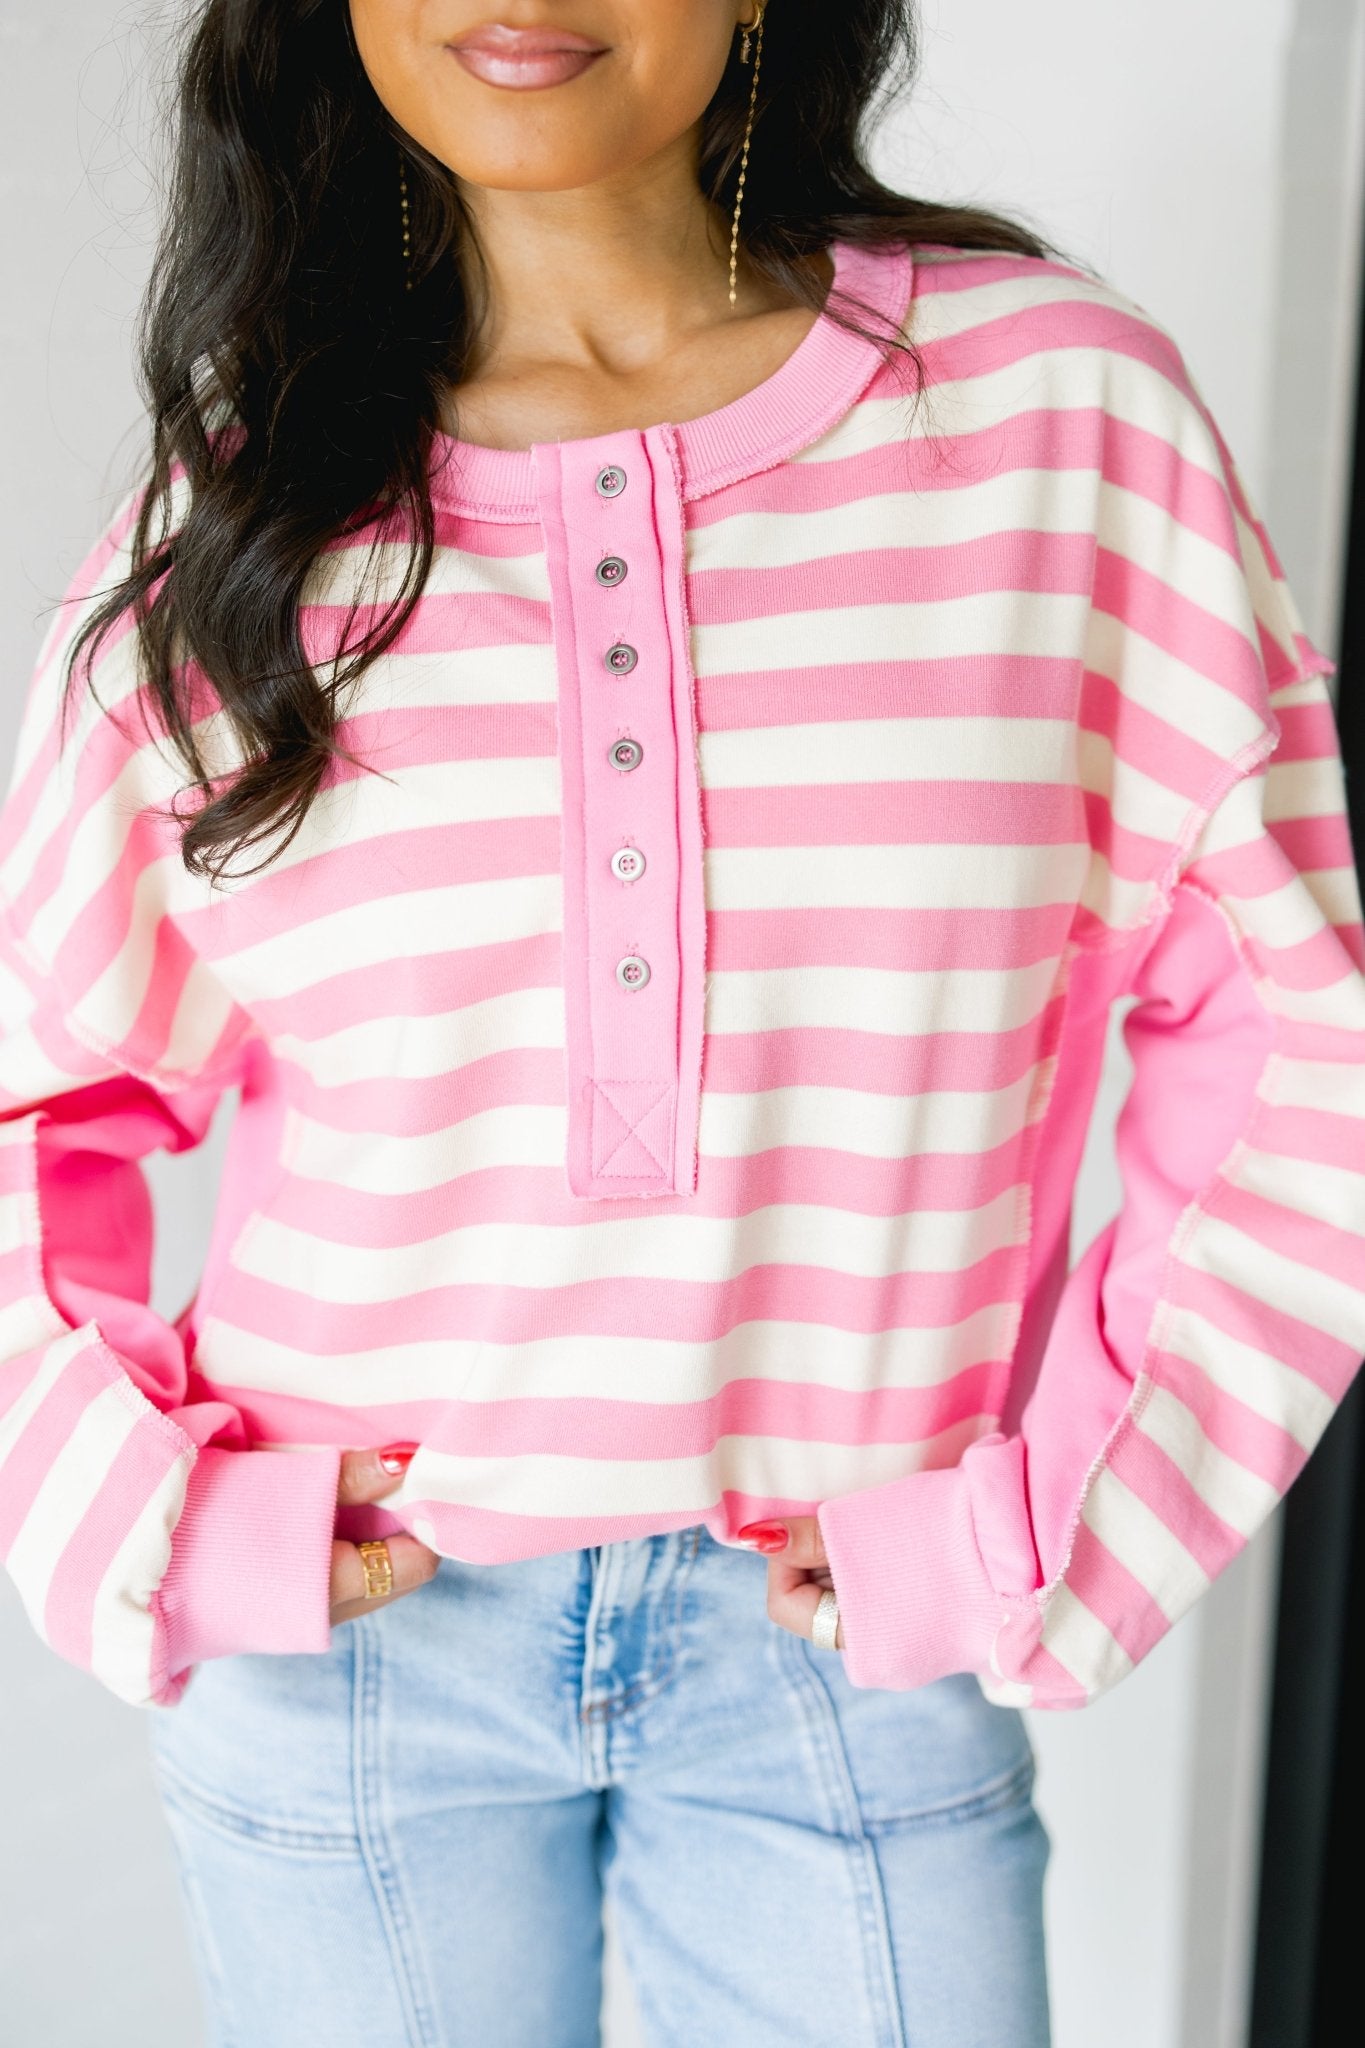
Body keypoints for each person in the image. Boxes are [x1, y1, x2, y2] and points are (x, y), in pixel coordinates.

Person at [2, 2, 1363, 2042]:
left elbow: (1290, 1038)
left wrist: (1052, 1524)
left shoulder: (1056, 415)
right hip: (357, 1665)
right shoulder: (239, 517)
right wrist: (154, 1518)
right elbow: (36, 1099)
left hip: (839, 1651)